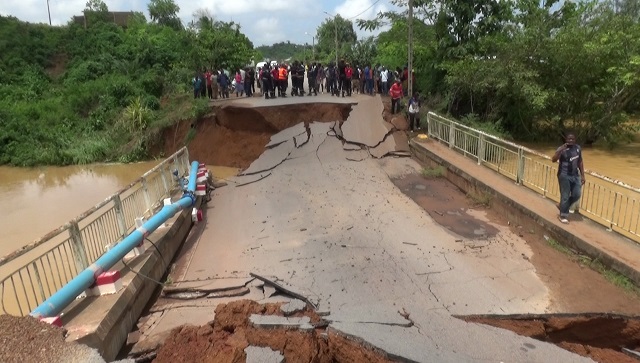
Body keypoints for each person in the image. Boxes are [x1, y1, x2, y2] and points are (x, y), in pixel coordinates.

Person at [551, 132, 585, 224]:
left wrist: (582, 175)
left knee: (577, 194)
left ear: (575, 140)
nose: (570, 141)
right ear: (566, 140)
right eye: (569, 139)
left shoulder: (577, 148)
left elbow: (580, 161)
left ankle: (562, 206)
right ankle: (563, 216)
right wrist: (560, 150)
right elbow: (553, 160)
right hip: (564, 175)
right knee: (565, 195)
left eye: (572, 139)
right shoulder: (562, 149)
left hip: (575, 175)